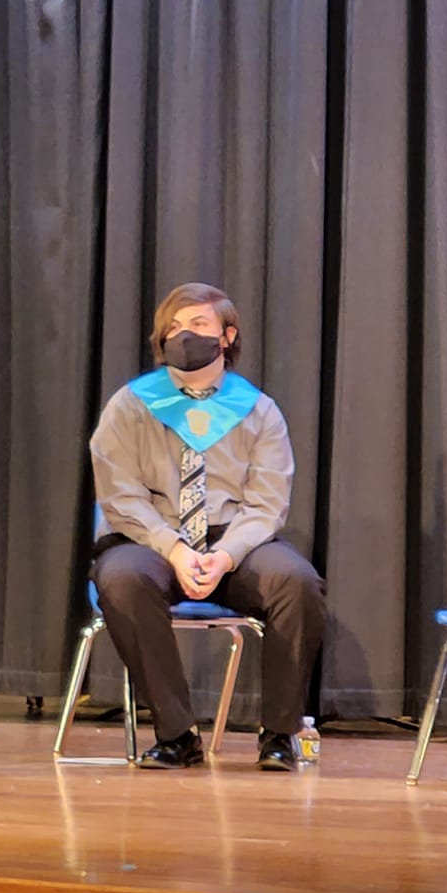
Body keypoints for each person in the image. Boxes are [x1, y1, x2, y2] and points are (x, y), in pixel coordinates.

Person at [88, 281, 327, 771]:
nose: (184, 335)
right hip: (150, 538)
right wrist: (175, 549)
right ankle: (177, 734)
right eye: (173, 327)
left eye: (198, 324)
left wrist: (225, 555)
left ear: (227, 335)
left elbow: (266, 503)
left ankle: (279, 734)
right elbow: (120, 495)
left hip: (233, 540)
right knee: (122, 579)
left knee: (296, 582)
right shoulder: (131, 405)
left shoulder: (258, 410)